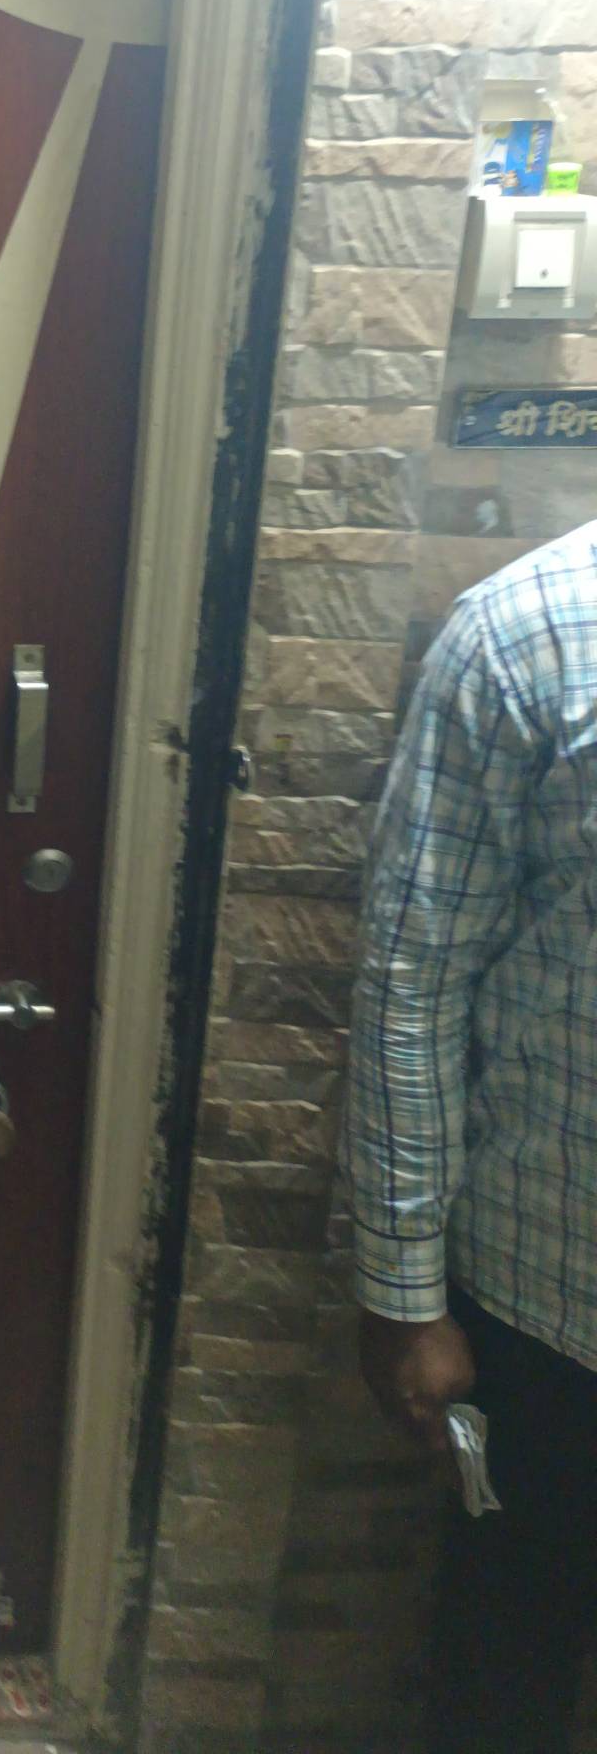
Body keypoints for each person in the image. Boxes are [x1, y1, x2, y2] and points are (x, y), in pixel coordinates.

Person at [344, 521, 597, 1754]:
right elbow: (415, 979)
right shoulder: (532, 634)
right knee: (507, 1669)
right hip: (559, 1316)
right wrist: (403, 1295)